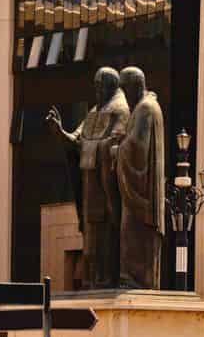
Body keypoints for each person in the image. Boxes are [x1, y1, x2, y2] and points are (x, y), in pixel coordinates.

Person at [46, 67, 129, 288]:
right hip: (89, 186)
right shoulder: (94, 112)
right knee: (90, 235)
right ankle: (91, 280)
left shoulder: (120, 110)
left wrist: (87, 146)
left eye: (100, 85)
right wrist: (60, 132)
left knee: (106, 235)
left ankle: (106, 279)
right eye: (95, 85)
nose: (96, 89)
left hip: (106, 187)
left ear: (111, 86)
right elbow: (76, 140)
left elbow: (115, 143)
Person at [112, 66, 166, 289]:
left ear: (135, 86)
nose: (125, 95)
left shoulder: (145, 108)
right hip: (143, 190)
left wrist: (118, 147)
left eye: (125, 89)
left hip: (141, 193)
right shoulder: (148, 107)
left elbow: (138, 146)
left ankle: (135, 280)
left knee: (131, 233)